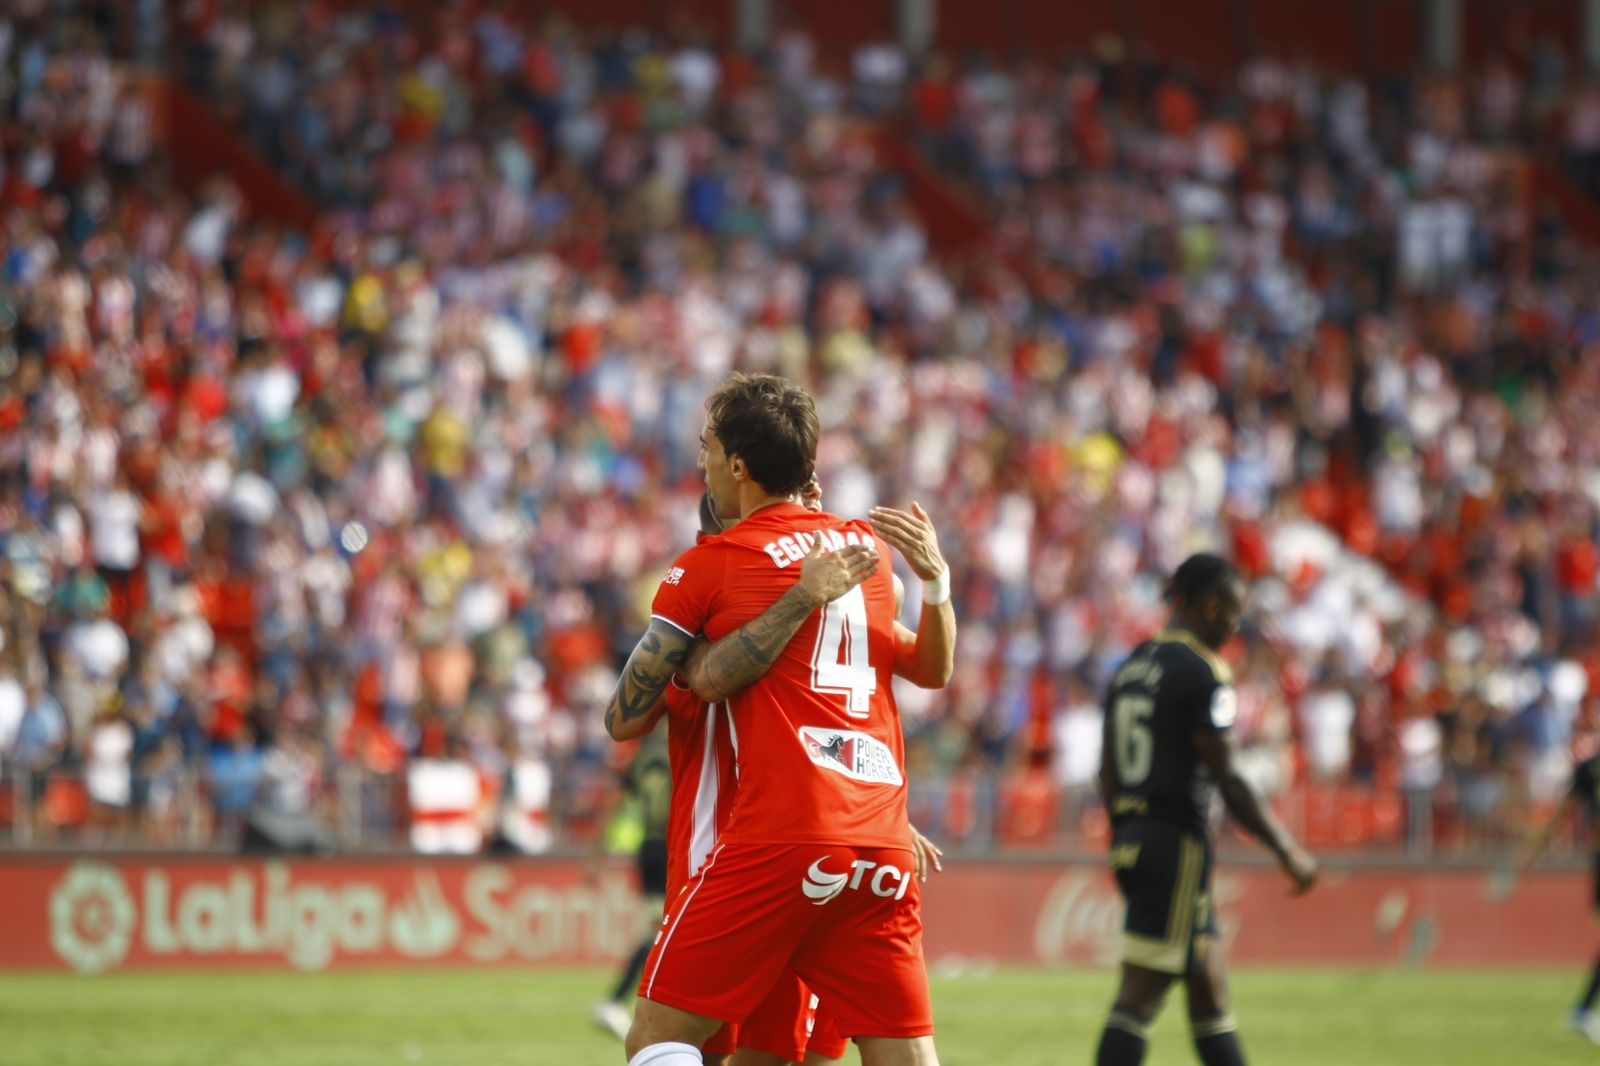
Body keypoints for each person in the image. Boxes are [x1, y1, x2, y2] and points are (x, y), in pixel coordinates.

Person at [603, 372, 955, 1066]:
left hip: (770, 841)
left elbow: (626, 717)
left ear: (736, 465)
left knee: (658, 1041)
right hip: (877, 837)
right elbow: (925, 672)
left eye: (707, 449)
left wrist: (705, 661)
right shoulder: (867, 552)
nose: (701, 463)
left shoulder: (714, 565)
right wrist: (937, 585)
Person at [1094, 553, 1318, 1066]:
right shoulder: (1202, 671)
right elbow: (1228, 777)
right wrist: (1287, 849)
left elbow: (1106, 771)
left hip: (1134, 835)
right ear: (1209, 605)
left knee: (1209, 985)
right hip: (1176, 840)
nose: (1236, 624)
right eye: (1233, 611)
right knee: (1140, 994)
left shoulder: (1131, 665)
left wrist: (1124, 832)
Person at [1513, 737, 1600, 1043]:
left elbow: (1562, 814)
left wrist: (1531, 854)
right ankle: (1582, 1009)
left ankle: (1583, 1009)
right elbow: (1563, 813)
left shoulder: (1588, 768)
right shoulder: (1587, 769)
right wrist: (1531, 854)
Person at [594, 728, 674, 1042]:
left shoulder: (642, 755)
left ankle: (626, 1002)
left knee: (660, 928)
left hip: (648, 846)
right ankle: (616, 1000)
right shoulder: (686, 742)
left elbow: (620, 801)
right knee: (662, 931)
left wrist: (597, 851)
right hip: (674, 843)